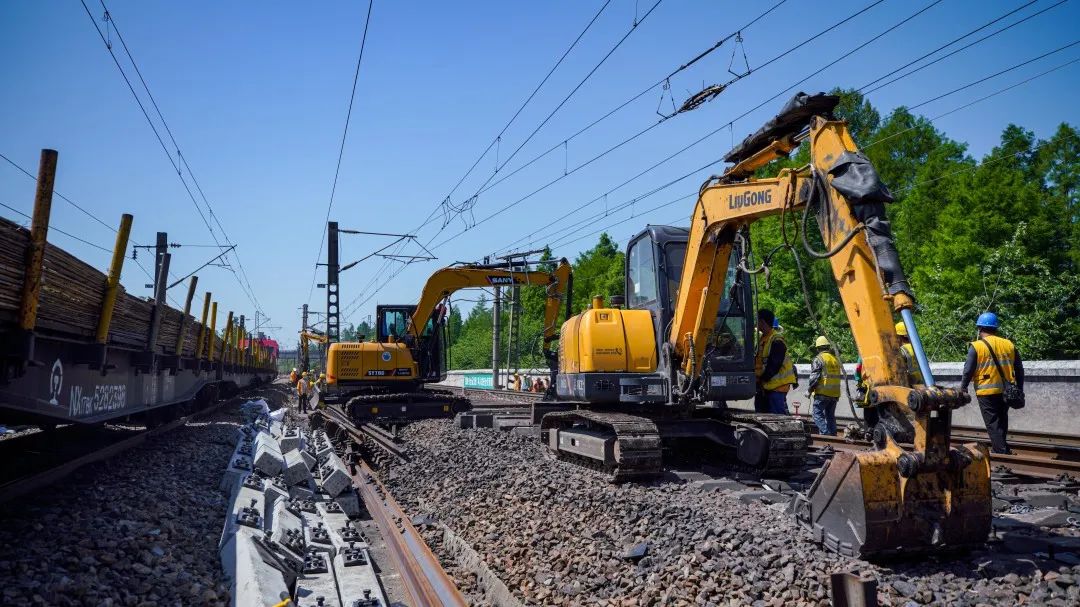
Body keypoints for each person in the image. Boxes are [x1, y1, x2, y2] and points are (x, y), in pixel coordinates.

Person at [960, 312, 1024, 454]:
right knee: (1002, 420)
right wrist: (1019, 388)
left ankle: (1001, 454)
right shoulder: (1009, 345)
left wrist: (963, 388)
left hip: (986, 391)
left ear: (979, 328)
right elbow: (1019, 369)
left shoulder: (976, 346)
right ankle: (1002, 447)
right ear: (996, 328)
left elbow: (968, 370)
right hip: (1006, 390)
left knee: (993, 423)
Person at [754, 308, 796, 414]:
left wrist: (761, 379)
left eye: (757, 320)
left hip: (776, 386)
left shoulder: (776, 340)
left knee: (777, 417)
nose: (755, 323)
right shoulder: (764, 339)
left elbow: (774, 365)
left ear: (762, 322)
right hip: (767, 386)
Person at [806, 336, 841, 435]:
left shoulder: (819, 359)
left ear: (818, 348)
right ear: (828, 347)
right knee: (830, 416)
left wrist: (809, 390)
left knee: (817, 414)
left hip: (822, 392)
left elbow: (815, 377)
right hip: (834, 393)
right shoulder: (835, 359)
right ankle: (833, 434)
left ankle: (826, 434)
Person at [894, 321, 925, 386]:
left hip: (911, 382)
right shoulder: (917, 347)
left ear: (899, 336)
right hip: (922, 379)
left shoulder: (902, 350)